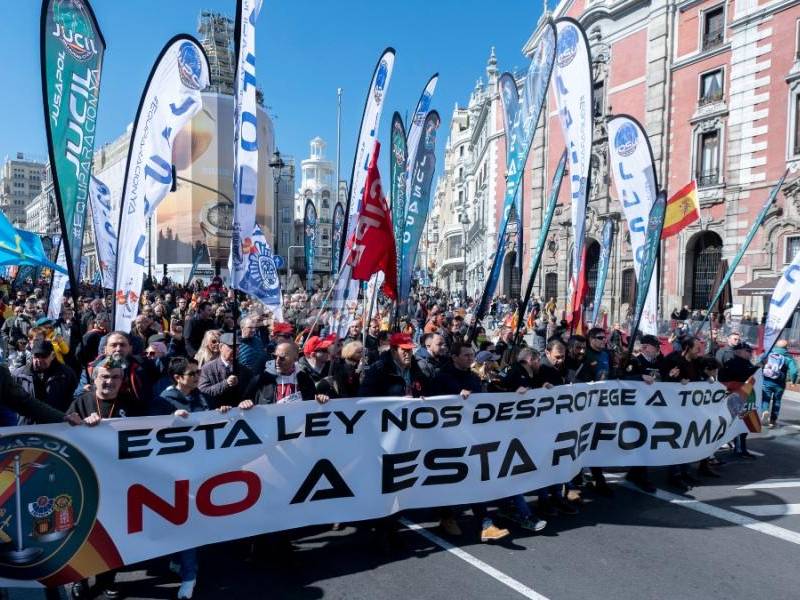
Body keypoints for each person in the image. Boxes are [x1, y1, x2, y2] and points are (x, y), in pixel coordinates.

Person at [151, 357, 208, 599]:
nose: (197, 376)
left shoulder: (201, 396)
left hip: (199, 470)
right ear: (178, 378)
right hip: (172, 472)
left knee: (186, 524)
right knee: (178, 522)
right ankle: (183, 566)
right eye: (192, 373)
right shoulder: (163, 401)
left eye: (198, 372)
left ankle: (188, 575)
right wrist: (170, 418)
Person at [11, 340, 77, 424]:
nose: (39, 360)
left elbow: (74, 398)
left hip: (56, 425)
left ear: (52, 356)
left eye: (44, 356)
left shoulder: (67, 374)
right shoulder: (19, 374)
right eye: (36, 356)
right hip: (27, 426)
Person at [243, 342, 324, 404]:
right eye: (275, 357)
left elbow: (313, 403)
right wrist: (245, 403)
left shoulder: (305, 379)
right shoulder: (261, 379)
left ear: (295, 358)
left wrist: (321, 399)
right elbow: (245, 400)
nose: (277, 361)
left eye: (282, 358)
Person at [359, 333, 426, 398]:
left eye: (410, 350)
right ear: (394, 351)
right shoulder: (378, 370)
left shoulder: (416, 367)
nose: (408, 354)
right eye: (404, 350)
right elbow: (365, 396)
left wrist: (422, 397)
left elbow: (425, 389)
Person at [198, 333, 253, 409]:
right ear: (220, 347)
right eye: (231, 346)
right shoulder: (207, 368)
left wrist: (246, 401)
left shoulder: (245, 370)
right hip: (216, 414)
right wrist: (225, 383)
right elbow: (203, 392)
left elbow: (250, 393)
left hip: (239, 414)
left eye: (237, 347)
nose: (236, 350)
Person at [759, 339, 798, 427]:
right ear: (786, 347)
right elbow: (794, 371)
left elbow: (759, 360)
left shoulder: (769, 352)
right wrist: (793, 381)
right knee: (777, 401)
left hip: (767, 380)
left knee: (765, 398)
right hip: (780, 383)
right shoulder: (788, 357)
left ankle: (764, 411)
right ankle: (773, 421)